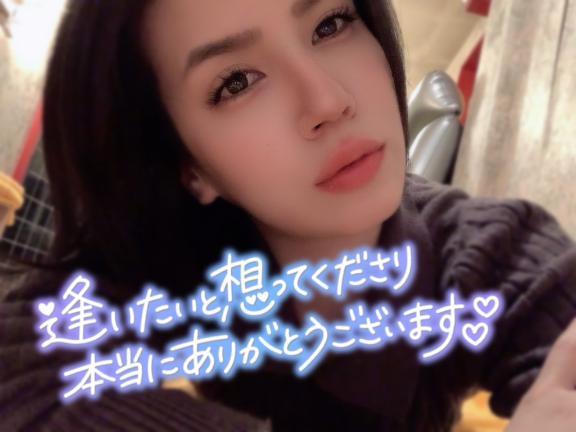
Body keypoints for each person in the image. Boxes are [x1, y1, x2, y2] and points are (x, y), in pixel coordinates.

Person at [0, 0, 575, 430]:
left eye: (330, 24)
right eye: (236, 82)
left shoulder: (489, 247)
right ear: (189, 168)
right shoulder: (171, 266)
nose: (329, 100)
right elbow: (21, 375)